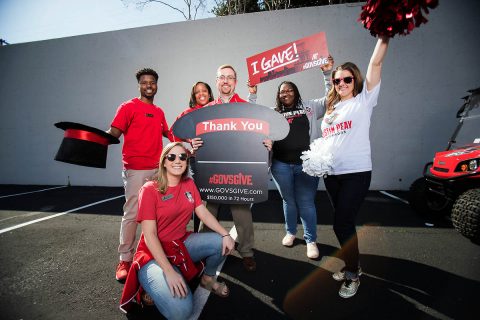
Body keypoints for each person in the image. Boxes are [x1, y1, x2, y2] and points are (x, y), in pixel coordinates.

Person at [119, 142, 235, 319]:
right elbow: (149, 235)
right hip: (152, 253)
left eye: (183, 157)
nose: (177, 160)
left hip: (180, 244)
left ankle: (207, 279)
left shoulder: (188, 184)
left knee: (221, 242)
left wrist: (225, 234)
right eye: (171, 156)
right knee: (182, 312)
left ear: (187, 162)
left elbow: (202, 212)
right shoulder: (150, 189)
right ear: (163, 162)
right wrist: (169, 272)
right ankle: (153, 283)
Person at [321, 36, 390, 298]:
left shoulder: (364, 101)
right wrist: (328, 73)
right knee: (342, 224)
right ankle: (353, 264)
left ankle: (352, 274)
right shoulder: (331, 107)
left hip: (356, 173)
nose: (341, 84)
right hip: (332, 174)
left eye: (347, 79)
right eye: (337, 80)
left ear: (356, 81)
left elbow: (376, 62)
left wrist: (385, 35)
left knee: (342, 222)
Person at [249, 56, 334, 259]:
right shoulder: (274, 113)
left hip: (306, 165)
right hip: (281, 165)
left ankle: (310, 239)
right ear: (278, 95)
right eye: (282, 91)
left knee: (305, 202)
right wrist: (253, 94)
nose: (285, 93)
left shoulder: (310, 107)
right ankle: (290, 232)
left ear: (295, 92)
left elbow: (331, 98)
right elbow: (252, 114)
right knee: (288, 200)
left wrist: (327, 74)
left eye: (289, 90)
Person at [193, 64, 271, 272]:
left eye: (230, 77)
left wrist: (266, 144)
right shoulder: (207, 110)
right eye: (222, 77)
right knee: (208, 210)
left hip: (238, 171)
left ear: (235, 82)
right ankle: (201, 250)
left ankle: (246, 251)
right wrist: (195, 143)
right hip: (213, 170)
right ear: (217, 81)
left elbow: (257, 136)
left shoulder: (246, 107)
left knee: (242, 212)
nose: (226, 81)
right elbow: (199, 137)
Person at [107, 68, 173, 282]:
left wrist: (190, 142)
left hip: (157, 170)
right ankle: (125, 259)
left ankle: (150, 252)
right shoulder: (128, 107)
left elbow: (170, 135)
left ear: (156, 85)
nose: (148, 85)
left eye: (152, 82)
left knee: (155, 215)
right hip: (135, 170)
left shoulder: (159, 112)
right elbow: (113, 133)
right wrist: (90, 140)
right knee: (132, 213)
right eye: (144, 82)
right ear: (139, 85)